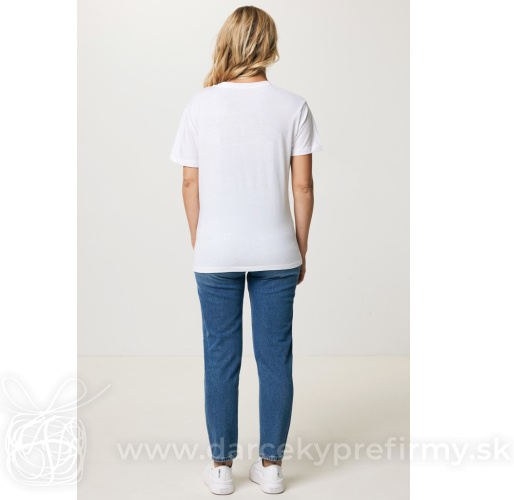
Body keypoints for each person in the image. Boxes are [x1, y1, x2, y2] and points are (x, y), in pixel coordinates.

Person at [170, 5, 322, 495]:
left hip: (215, 251)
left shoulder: (200, 105)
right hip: (278, 251)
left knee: (220, 357)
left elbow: (189, 183)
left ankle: (221, 468)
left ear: (227, 41)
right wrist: (300, 246)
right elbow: (303, 188)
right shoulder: (293, 106)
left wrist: (201, 240)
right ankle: (271, 467)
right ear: (270, 45)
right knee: (275, 359)